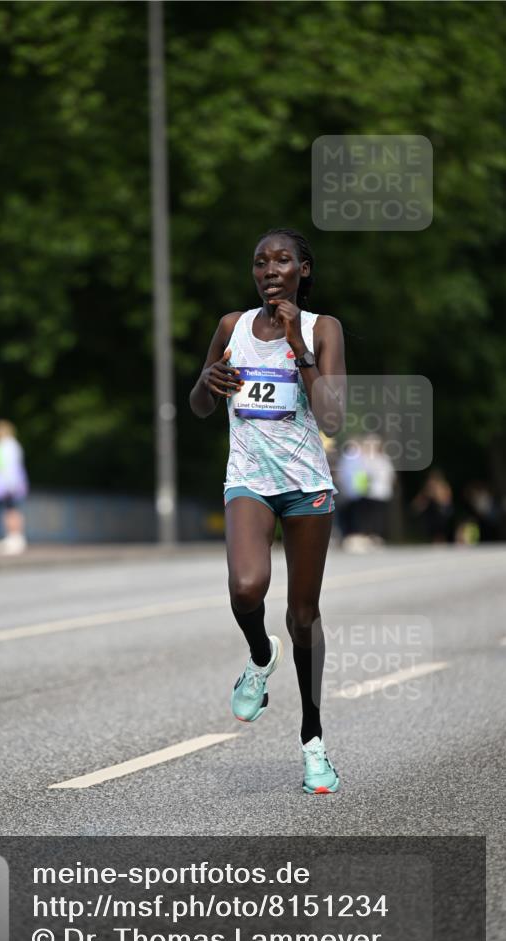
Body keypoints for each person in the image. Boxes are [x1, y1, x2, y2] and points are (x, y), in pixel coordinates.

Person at [190, 228, 346, 794]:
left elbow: (331, 417)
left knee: (303, 616)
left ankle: (313, 742)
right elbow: (202, 404)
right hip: (249, 481)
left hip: (306, 486)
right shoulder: (231, 327)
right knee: (246, 587)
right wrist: (208, 382)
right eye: (260, 262)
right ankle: (260, 657)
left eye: (282, 260)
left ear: (303, 270)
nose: (269, 269)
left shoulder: (321, 329)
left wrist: (297, 348)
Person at [0, 420, 29, 554]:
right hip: (15, 482)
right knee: (12, 510)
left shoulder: (6, 445)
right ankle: (15, 538)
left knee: (11, 511)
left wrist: (9, 485)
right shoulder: (13, 444)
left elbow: (7, 466)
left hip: (10, 483)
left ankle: (15, 539)